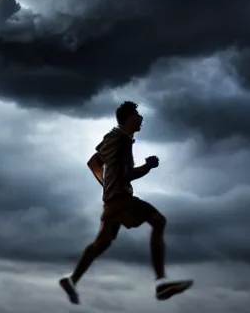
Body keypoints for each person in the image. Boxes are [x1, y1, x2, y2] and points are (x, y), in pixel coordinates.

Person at [59, 101, 193, 304]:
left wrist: (106, 186)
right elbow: (127, 174)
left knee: (101, 244)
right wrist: (148, 166)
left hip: (112, 201)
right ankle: (161, 283)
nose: (140, 119)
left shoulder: (114, 138)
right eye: (136, 115)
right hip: (122, 200)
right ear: (127, 119)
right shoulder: (120, 140)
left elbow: (94, 163)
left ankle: (72, 280)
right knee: (159, 221)